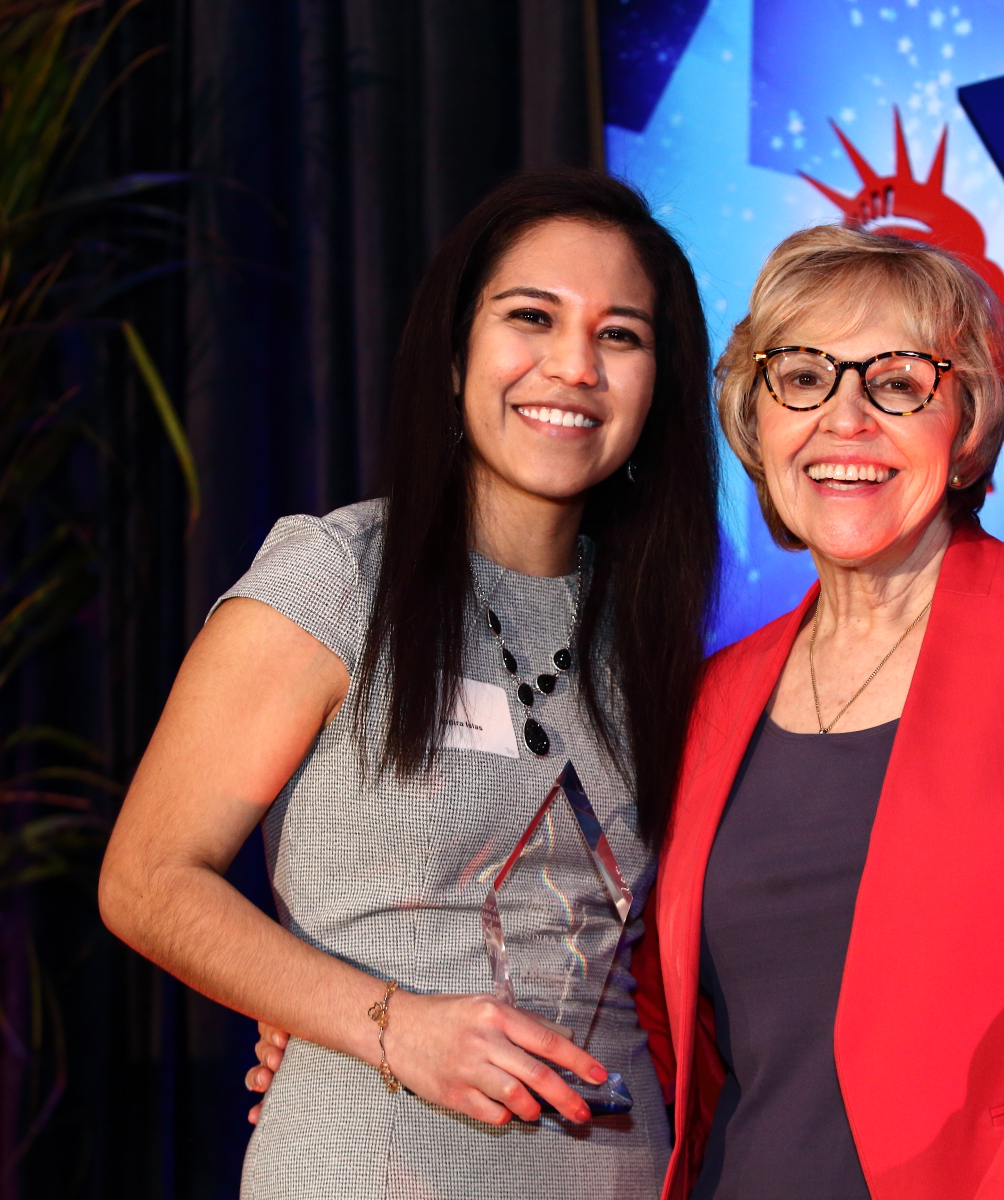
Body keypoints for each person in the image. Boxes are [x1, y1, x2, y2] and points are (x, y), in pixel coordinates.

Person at [98, 169, 720, 1200]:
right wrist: (384, 1026)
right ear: (453, 350)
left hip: (620, 1172)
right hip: (370, 1163)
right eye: (532, 317)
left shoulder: (654, 636)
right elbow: (148, 881)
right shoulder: (339, 575)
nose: (573, 365)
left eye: (621, 335)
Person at [634, 224, 1004, 1199]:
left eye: (899, 380)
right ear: (757, 419)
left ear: (964, 422)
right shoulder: (709, 698)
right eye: (802, 376)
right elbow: (662, 1029)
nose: (846, 419)